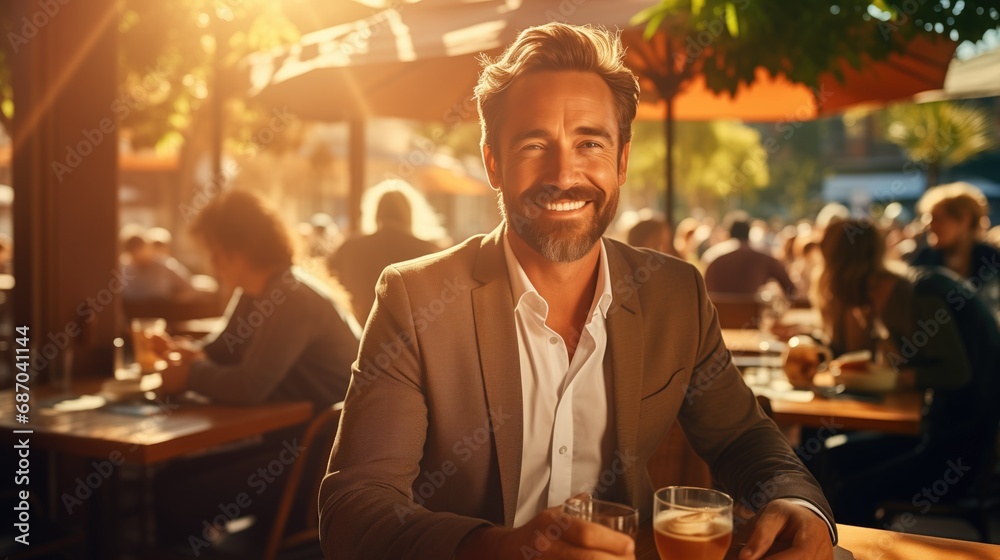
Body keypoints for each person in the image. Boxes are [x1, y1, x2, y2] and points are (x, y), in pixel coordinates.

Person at [319, 23, 834, 560]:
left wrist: (801, 502)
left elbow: (742, 438)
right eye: (534, 143)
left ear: (623, 160)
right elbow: (355, 509)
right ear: (493, 162)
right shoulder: (414, 298)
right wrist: (500, 548)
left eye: (590, 143)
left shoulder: (676, 295)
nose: (564, 173)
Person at [800, 219, 996, 527]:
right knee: (829, 457)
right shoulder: (895, 290)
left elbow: (958, 373)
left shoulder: (920, 294)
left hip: (959, 450)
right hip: (939, 427)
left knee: (853, 492)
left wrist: (897, 378)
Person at [155, 189, 362, 407]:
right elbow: (224, 349)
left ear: (242, 249)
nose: (213, 264)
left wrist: (189, 376)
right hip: (291, 419)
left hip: (321, 432)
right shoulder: (255, 291)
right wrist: (189, 352)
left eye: (216, 252)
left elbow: (250, 387)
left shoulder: (289, 297)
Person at [327, 179, 441, 323]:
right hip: (408, 334)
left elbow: (330, 288)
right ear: (409, 214)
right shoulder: (428, 251)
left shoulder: (349, 248)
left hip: (358, 331)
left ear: (376, 213)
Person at [908, 182, 1000, 324]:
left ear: (964, 220)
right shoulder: (925, 259)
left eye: (938, 218)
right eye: (929, 219)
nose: (930, 226)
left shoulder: (990, 257)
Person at [702, 211, 796, 297]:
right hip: (752, 314)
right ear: (748, 233)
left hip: (718, 313)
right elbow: (790, 288)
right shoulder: (762, 257)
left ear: (728, 233)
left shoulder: (712, 256)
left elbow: (703, 292)